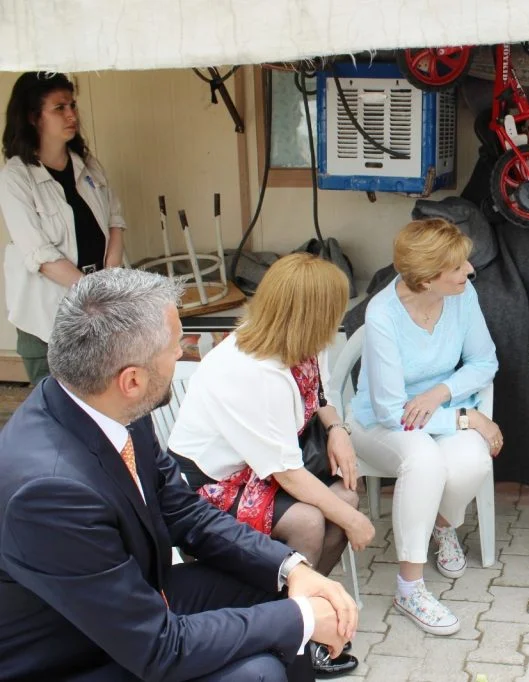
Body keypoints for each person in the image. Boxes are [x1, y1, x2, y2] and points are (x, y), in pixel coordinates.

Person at [0, 268, 358, 682]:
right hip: (75, 651)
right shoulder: (48, 493)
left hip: (135, 598)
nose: (182, 354)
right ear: (132, 380)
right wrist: (302, 620)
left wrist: (292, 568)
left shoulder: (112, 406)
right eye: (176, 347)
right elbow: (157, 648)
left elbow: (185, 512)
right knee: (258, 670)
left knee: (281, 595)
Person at [169, 253, 372, 676]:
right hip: (212, 483)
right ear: (313, 316)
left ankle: (308, 616)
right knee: (311, 522)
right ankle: (289, 634)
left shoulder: (301, 344)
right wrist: (354, 522)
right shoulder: (254, 372)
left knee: (345, 499)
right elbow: (288, 475)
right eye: (334, 308)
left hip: (263, 464)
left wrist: (337, 428)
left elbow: (320, 395)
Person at [348, 218, 500, 636]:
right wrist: (468, 418)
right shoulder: (382, 313)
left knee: (472, 461)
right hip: (381, 421)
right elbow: (389, 410)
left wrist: (440, 393)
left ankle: (442, 526)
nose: (469, 271)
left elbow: (484, 361)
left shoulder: (462, 295)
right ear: (427, 278)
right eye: (458, 267)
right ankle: (409, 589)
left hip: (437, 408)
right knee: (424, 461)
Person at [0, 72, 127, 385]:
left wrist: (110, 276)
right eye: (59, 108)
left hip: (97, 305)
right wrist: (91, 291)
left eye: (72, 105)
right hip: (48, 318)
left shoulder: (87, 164)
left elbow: (115, 220)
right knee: (57, 403)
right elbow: (40, 255)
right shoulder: (16, 177)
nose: (72, 115)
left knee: (102, 393)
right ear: (33, 117)